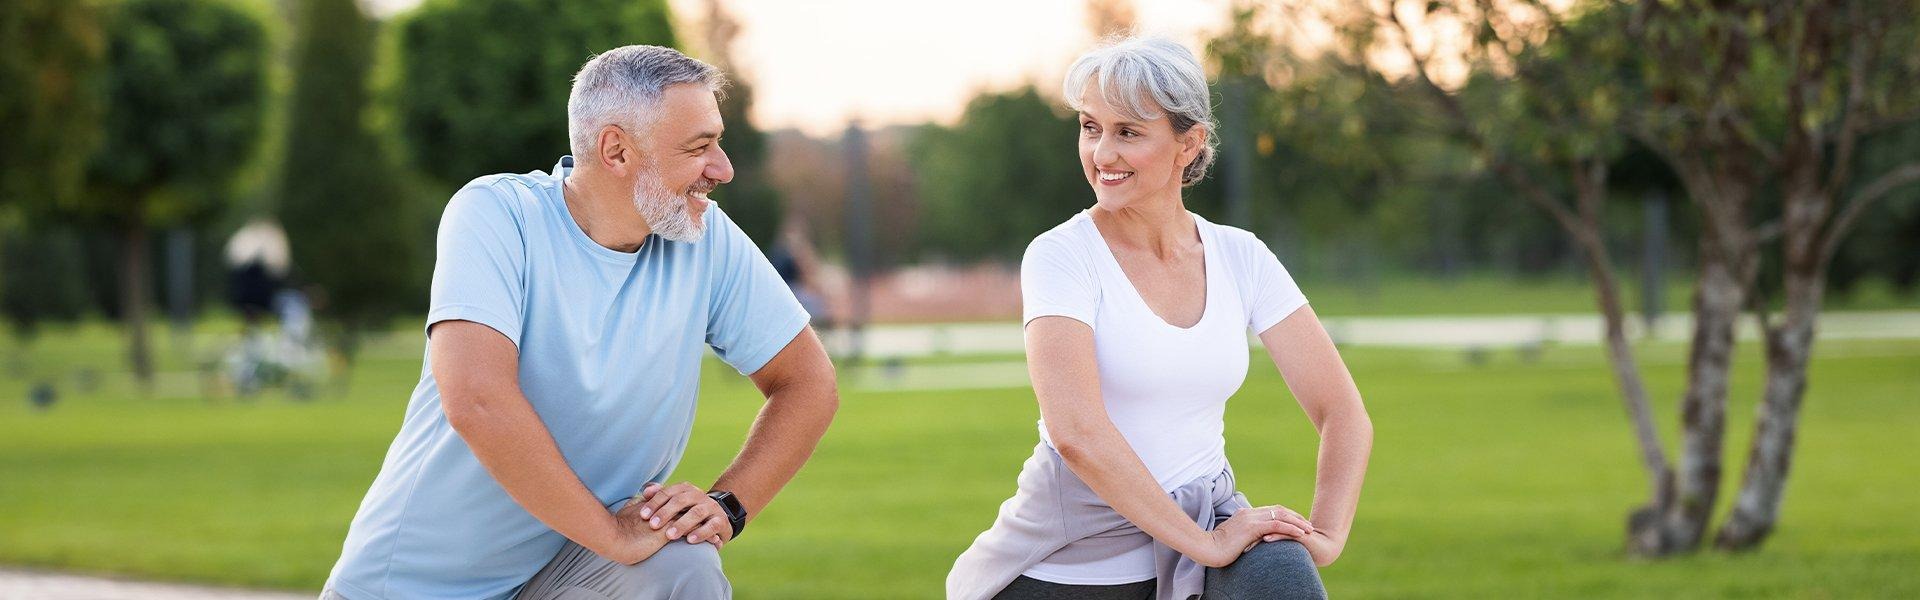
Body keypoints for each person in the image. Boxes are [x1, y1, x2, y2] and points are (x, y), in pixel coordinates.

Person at [321, 45, 838, 600]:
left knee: (685, 565)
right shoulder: (497, 214)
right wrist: (613, 535)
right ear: (616, 150)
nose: (723, 169)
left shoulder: (706, 238)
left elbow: (808, 382)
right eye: (699, 147)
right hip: (415, 587)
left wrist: (726, 507)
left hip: (568, 574)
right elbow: (476, 397)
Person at [948, 37, 1373, 600]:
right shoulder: (1060, 256)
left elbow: (1342, 411)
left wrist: (1326, 534)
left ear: (1187, 143)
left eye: (1127, 132)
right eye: (1090, 127)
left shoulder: (1240, 255)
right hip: (1069, 562)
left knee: (1286, 581)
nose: (1101, 154)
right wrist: (1208, 545)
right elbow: (1076, 434)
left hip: (1207, 531)